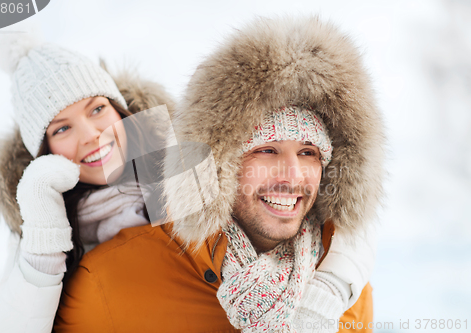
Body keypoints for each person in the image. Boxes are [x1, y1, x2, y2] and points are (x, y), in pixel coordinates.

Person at [54, 16, 384, 333]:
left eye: (308, 153)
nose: (293, 175)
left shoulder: (344, 284)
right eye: (266, 150)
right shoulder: (106, 285)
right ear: (220, 163)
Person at [0, 33, 174, 333]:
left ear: (119, 110)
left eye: (97, 109)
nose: (90, 135)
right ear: (45, 155)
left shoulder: (189, 174)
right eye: (62, 129)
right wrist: (44, 241)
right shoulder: (33, 240)